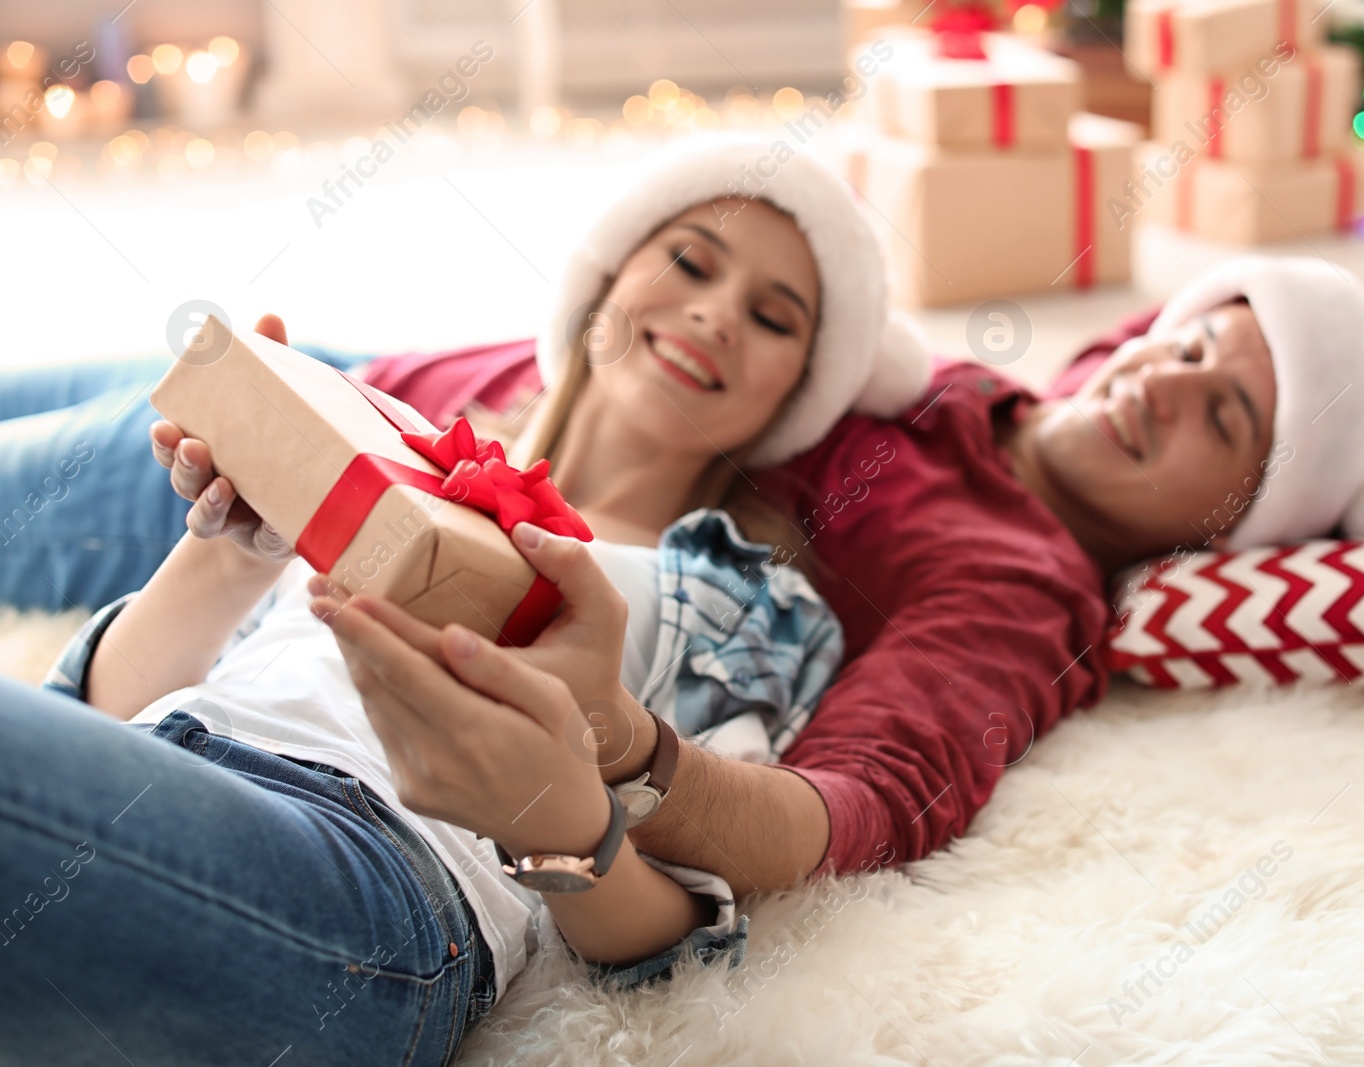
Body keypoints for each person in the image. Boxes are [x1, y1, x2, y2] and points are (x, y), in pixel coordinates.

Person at [0, 135, 932, 1064]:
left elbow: (674, 941)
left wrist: (555, 814)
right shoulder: (399, 455)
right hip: (160, 773)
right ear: (605, 281)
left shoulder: (744, 596)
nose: (719, 313)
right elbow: (99, 716)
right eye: (690, 260)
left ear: (796, 395)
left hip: (365, 884)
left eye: (774, 318)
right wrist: (236, 551)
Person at [322, 254, 1364, 902]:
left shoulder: (1020, 588)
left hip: (364, 531)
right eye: (1189, 343)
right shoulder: (939, 383)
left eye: (1227, 417)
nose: (1166, 385)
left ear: (1245, 519)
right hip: (379, 392)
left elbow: (849, 809)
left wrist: (621, 749)